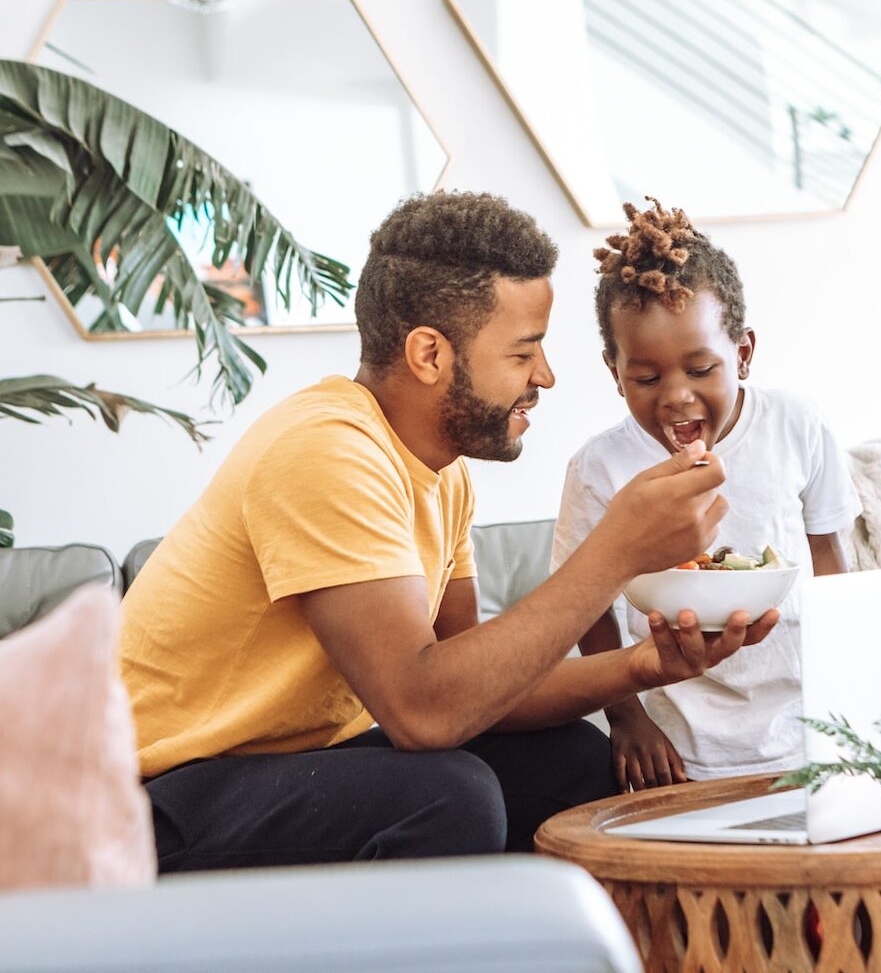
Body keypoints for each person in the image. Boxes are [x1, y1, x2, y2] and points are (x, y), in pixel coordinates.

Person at [119, 190, 778, 870]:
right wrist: (616, 551)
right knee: (447, 796)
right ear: (430, 354)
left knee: (574, 761)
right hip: (152, 801)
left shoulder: (442, 474)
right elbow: (422, 712)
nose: (545, 376)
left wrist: (641, 666)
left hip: (278, 772)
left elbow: (476, 689)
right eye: (523, 353)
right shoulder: (325, 451)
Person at [551, 198, 860, 790]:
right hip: (682, 744)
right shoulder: (599, 468)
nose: (675, 397)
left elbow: (829, 556)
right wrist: (626, 718)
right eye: (645, 378)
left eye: (700, 370)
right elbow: (587, 608)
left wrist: (852, 690)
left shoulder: (797, 424)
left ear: (742, 354)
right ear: (614, 372)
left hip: (810, 727)